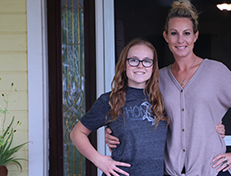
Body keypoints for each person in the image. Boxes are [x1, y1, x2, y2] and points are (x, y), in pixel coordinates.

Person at [106, 0, 231, 176]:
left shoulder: (215, 71)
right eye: (174, 33)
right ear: (166, 36)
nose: (180, 40)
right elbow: (137, 111)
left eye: (186, 33)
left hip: (212, 171)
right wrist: (113, 132)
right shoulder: (158, 78)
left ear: (195, 36)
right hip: (170, 172)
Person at [70, 38, 169, 176]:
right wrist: (99, 160)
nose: (140, 66)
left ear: (153, 67)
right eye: (133, 60)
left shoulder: (163, 99)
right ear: (124, 65)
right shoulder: (109, 100)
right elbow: (77, 133)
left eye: (147, 61)